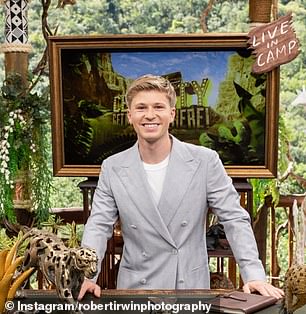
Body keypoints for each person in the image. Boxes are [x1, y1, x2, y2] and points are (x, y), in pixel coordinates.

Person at [78, 74, 284, 300]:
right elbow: (98, 224)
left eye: (158, 106)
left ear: (172, 114)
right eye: (141, 108)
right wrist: (87, 276)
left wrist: (253, 274)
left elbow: (234, 218)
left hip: (188, 288)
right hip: (135, 289)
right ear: (129, 116)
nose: (150, 115)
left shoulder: (205, 161)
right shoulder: (113, 167)